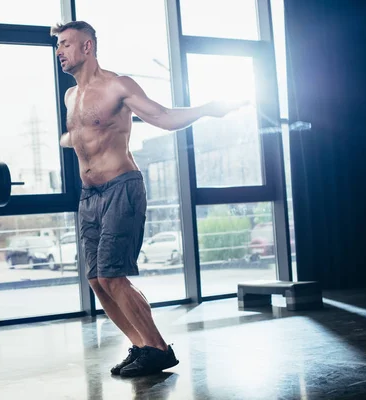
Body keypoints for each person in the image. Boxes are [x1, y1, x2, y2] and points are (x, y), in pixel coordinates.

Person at [51, 21, 249, 377]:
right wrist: (68, 141)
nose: (59, 50)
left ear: (87, 47)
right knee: (97, 279)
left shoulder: (117, 86)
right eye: (58, 45)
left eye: (66, 43)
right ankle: (142, 346)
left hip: (121, 188)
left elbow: (163, 117)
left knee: (113, 275)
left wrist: (207, 108)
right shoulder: (70, 96)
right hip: (89, 195)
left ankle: (158, 348)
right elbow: (81, 134)